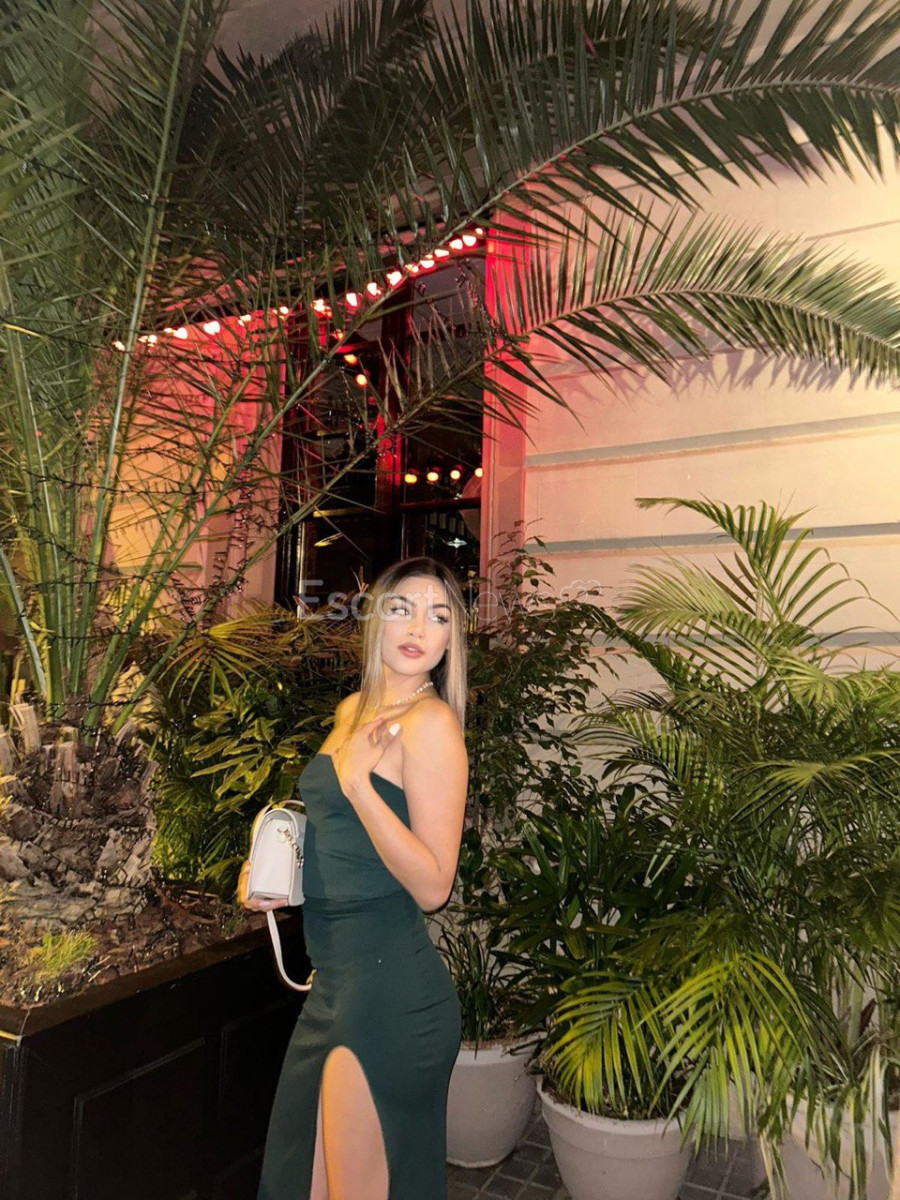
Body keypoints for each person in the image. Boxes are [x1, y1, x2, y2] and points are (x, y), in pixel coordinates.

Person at [238, 557, 469, 1200]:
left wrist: (360, 786)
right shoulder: (351, 710)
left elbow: (435, 886)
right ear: (376, 620)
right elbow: (339, 833)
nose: (417, 627)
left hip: (387, 992)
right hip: (336, 983)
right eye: (402, 608)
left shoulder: (431, 725)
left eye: (438, 616)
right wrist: (279, 870)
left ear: (451, 641)